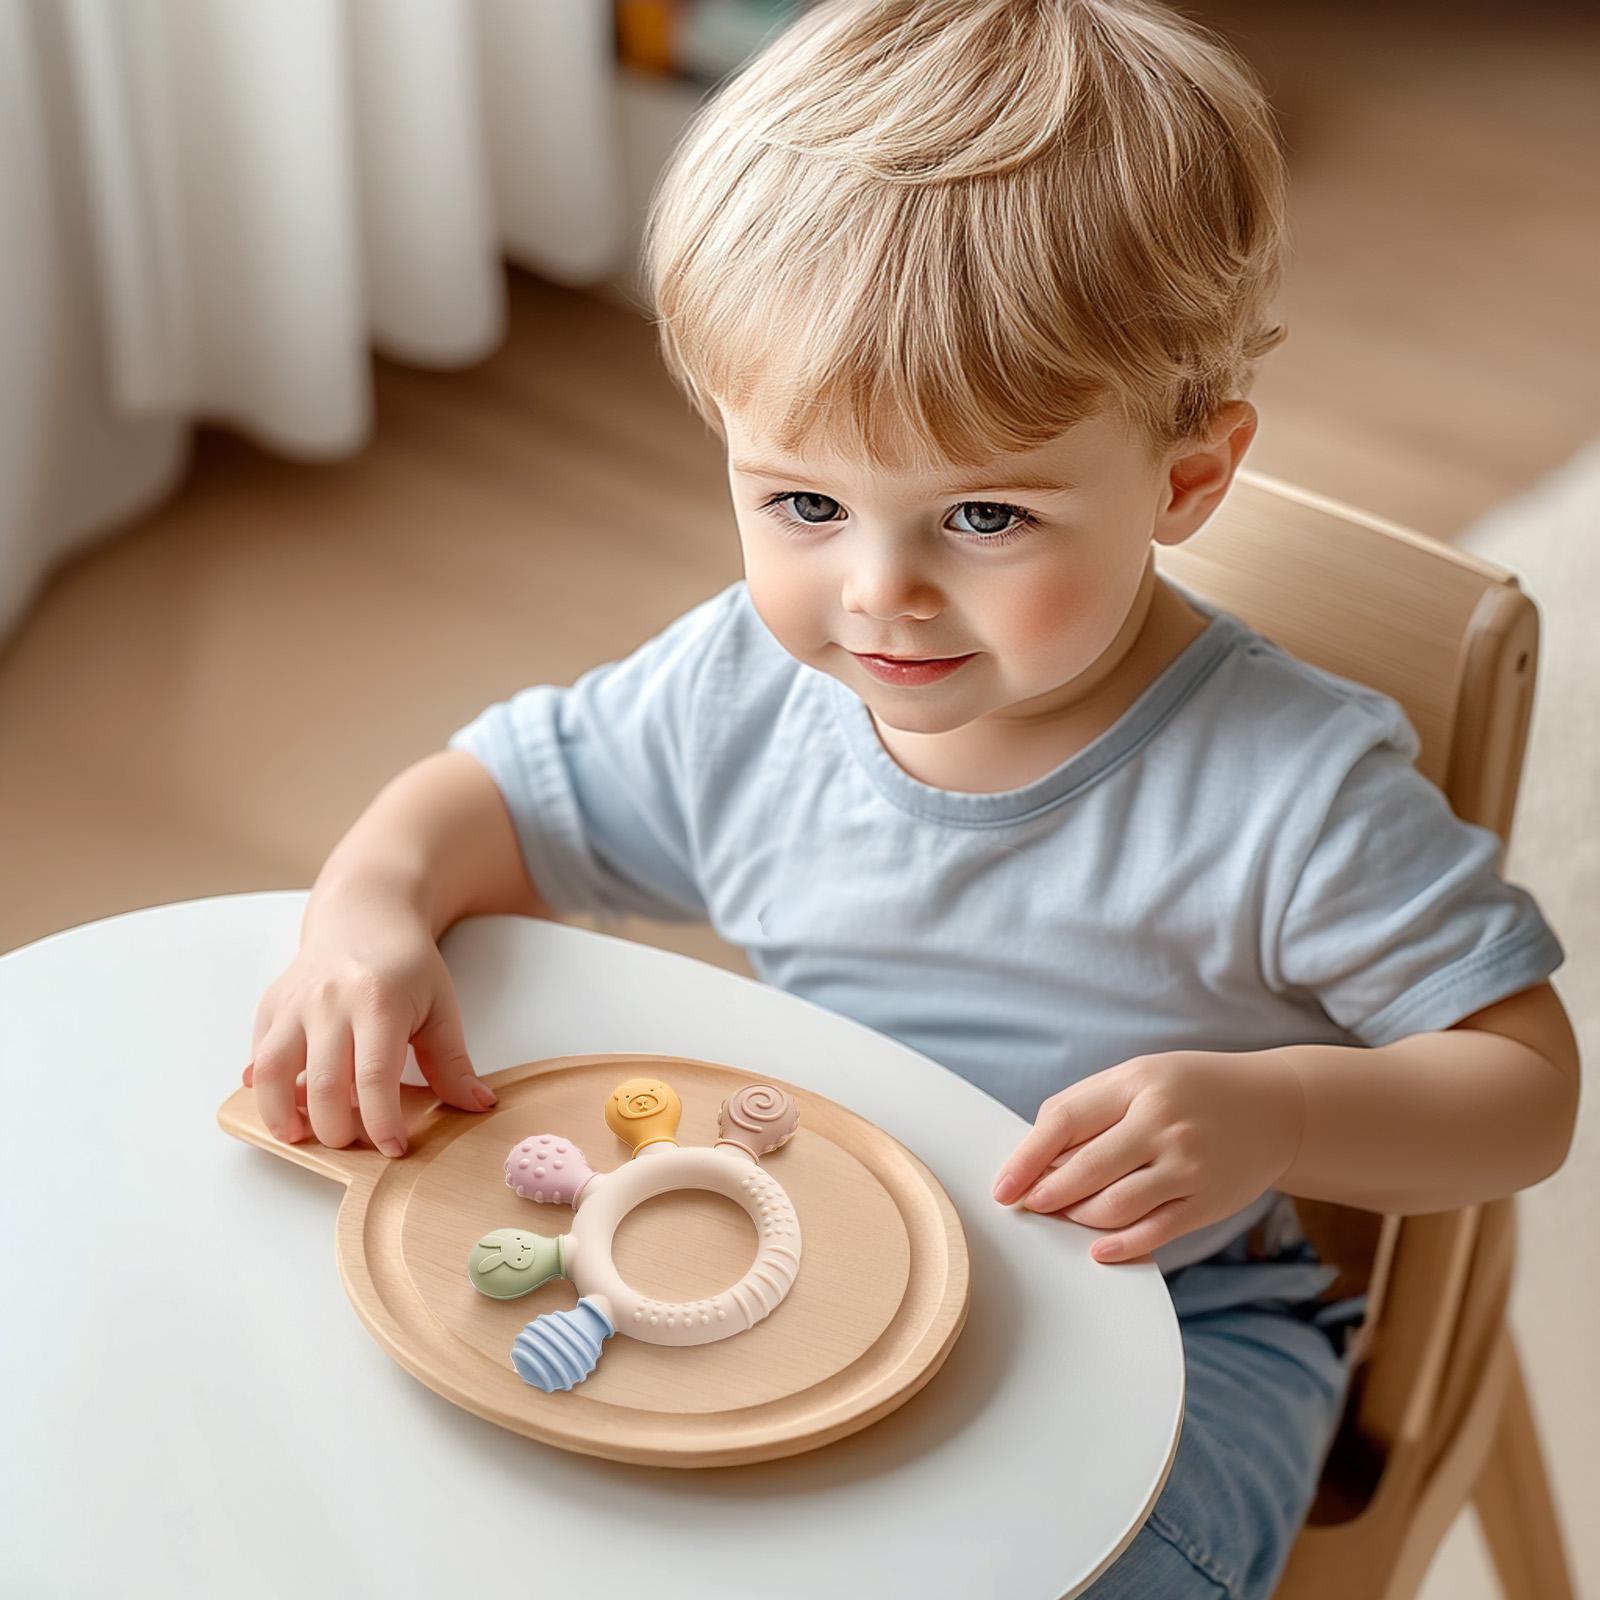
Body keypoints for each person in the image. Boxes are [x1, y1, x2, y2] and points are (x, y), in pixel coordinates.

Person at [243, 2, 1580, 1592]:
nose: (880, 595)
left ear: (1187, 482)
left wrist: (1279, 1112)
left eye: (985, 517)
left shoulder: (1293, 790)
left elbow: (1525, 1091)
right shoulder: (745, 686)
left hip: (1172, 1323)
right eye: (803, 500)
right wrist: (366, 910)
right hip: (814, 1240)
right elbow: (496, 801)